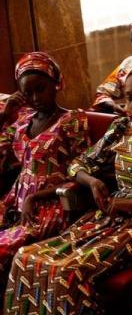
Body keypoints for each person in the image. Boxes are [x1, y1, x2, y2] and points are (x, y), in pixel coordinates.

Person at [4, 57, 132, 314]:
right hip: (110, 215)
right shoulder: (123, 127)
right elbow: (77, 164)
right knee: (27, 257)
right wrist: (93, 181)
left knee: (70, 270)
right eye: (130, 97)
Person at [0, 52, 90, 293]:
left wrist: (34, 197)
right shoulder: (21, 123)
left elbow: (81, 169)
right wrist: (4, 115)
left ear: (56, 83)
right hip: (15, 200)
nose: (35, 98)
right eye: (27, 93)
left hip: (50, 205)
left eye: (41, 89)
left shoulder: (70, 120)